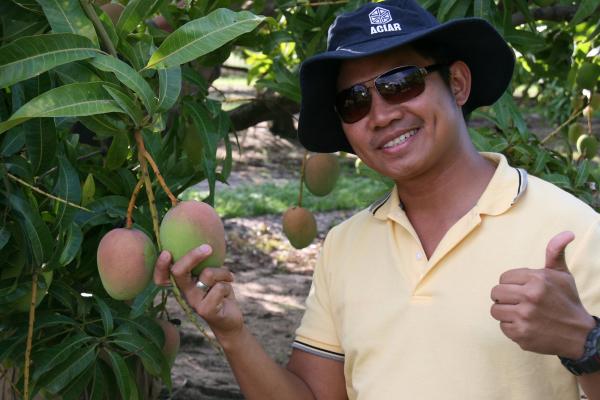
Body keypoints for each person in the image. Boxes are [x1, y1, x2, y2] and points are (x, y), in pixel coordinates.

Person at [154, 1, 600, 399]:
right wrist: (232, 333)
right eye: (354, 101)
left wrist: (587, 345)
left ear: (458, 84)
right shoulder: (345, 247)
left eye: (402, 82)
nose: (382, 114)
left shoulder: (572, 232)